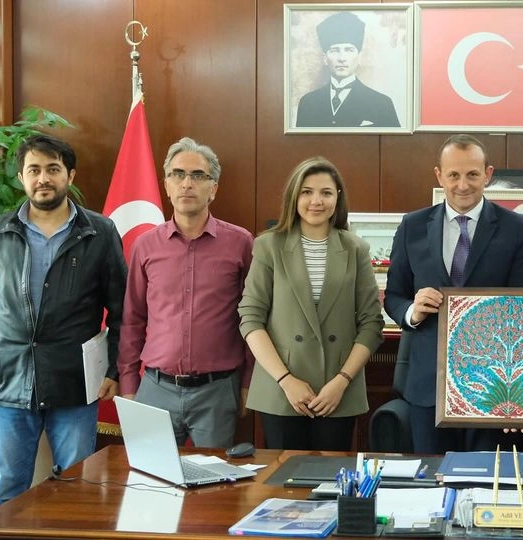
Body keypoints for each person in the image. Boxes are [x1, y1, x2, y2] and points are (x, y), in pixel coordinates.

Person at [384, 134, 523, 454]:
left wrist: (520, 394)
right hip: (429, 387)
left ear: (487, 174)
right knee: (433, 477)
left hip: (495, 387)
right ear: (439, 175)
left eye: (472, 174)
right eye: (453, 175)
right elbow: (394, 296)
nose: (462, 185)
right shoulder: (412, 226)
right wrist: (413, 311)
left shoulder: (517, 228)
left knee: (488, 478)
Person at [0, 134, 127, 503]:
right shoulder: (3, 232)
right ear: (21, 178)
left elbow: (122, 310)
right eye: (34, 170)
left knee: (77, 489)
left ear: (70, 175)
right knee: (6, 486)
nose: (43, 178)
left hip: (74, 384)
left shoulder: (100, 232)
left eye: (53, 169)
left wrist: (114, 369)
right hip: (10, 383)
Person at [238, 157, 384, 451]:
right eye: (307, 192)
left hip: (337, 391)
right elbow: (251, 319)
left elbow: (371, 324)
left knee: (331, 475)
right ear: (294, 196)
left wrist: (341, 381)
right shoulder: (269, 246)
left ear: (337, 198)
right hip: (281, 389)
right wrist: (286, 380)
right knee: (283, 476)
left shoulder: (356, 248)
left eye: (326, 193)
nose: (316, 201)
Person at [118, 137, 254, 448]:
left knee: (213, 477)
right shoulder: (145, 246)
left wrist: (248, 382)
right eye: (177, 174)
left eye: (197, 175)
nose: (187, 183)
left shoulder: (241, 243)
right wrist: (128, 384)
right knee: (152, 476)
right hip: (155, 389)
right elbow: (133, 318)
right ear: (166, 185)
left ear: (213, 188)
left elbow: (253, 320)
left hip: (217, 391)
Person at [295, 11, 400, 128]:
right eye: (335, 50)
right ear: (325, 58)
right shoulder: (308, 103)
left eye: (349, 50)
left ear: (359, 57)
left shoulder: (382, 104)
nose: (342, 58)